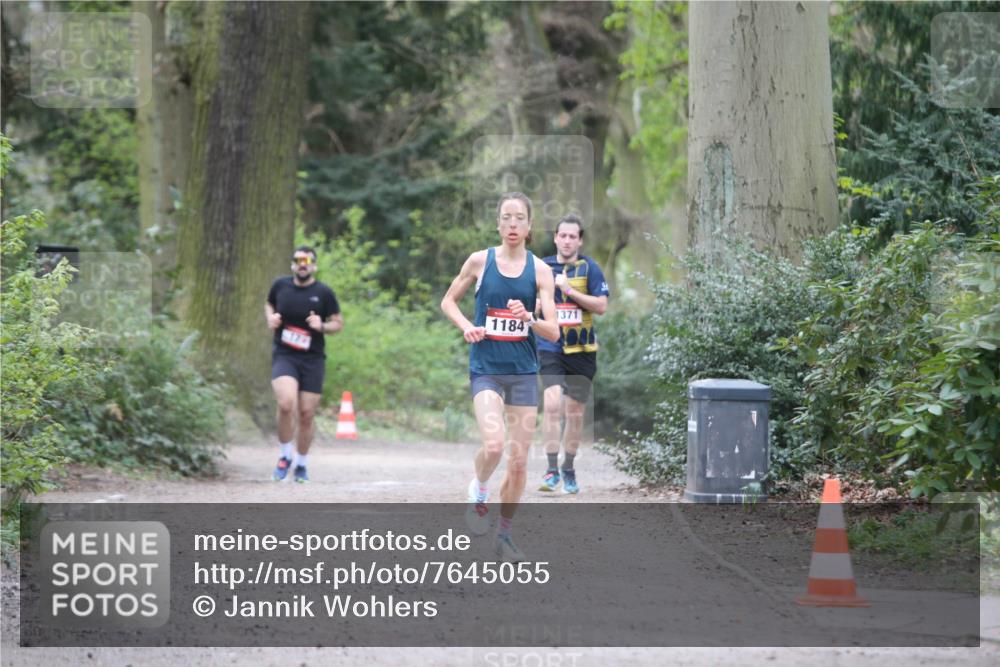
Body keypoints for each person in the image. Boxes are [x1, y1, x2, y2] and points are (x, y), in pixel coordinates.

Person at [440, 192, 559, 561]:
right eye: (506, 218)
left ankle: (504, 535)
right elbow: (448, 301)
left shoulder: (540, 271)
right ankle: (479, 488)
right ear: (498, 223)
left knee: (520, 461)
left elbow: (553, 332)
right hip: (487, 370)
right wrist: (466, 326)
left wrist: (530, 319)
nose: (512, 224)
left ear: (529, 226)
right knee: (494, 446)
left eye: (519, 218)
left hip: (523, 372)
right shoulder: (480, 261)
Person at [536, 214, 608, 495]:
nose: (566, 241)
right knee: (552, 404)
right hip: (550, 344)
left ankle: (569, 469)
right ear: (555, 237)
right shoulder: (542, 267)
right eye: (562, 235)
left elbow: (601, 306)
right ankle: (551, 470)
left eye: (572, 236)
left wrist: (569, 291)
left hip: (582, 349)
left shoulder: (590, 268)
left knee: (574, 414)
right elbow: (533, 303)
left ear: (579, 240)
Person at [265, 246, 343, 483]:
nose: (303, 264)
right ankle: (284, 456)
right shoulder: (280, 286)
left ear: (314, 266)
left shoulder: (324, 293)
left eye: (307, 260)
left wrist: (322, 326)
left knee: (307, 413)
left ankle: (301, 464)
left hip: (312, 358)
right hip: (285, 355)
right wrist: (271, 317)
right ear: (292, 264)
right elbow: (269, 304)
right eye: (298, 260)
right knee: (286, 403)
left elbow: (338, 324)